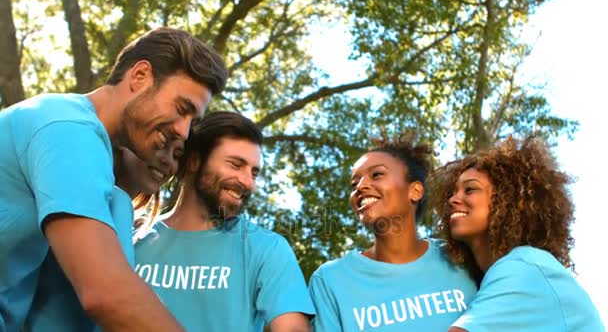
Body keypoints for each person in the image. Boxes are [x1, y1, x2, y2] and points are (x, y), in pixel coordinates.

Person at [0, 27, 227, 332]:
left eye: (193, 121)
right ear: (140, 76)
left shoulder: (96, 172)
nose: (184, 132)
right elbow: (106, 292)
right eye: (181, 109)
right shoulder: (67, 128)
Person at [133, 111, 315, 331]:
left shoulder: (267, 249)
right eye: (235, 165)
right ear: (193, 161)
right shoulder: (131, 236)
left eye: (254, 173)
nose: (247, 182)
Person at [430, 137, 604, 331]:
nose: (453, 199)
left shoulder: (523, 267)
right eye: (453, 192)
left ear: (508, 201)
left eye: (470, 189)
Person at [308, 134, 478, 331]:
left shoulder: (462, 257)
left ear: (415, 191)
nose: (360, 187)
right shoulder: (330, 281)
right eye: (354, 185)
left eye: (377, 174)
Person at [23, 139, 184, 331]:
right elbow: (114, 299)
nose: (168, 161)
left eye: (177, 155)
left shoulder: (115, 213)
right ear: (126, 140)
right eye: (160, 145)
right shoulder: (104, 203)